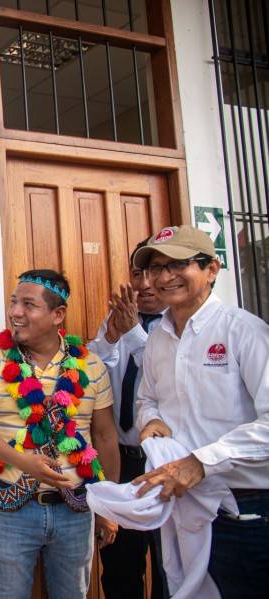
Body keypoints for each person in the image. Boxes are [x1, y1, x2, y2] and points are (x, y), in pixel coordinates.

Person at [0, 269, 120, 599]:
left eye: (28, 304)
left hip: (76, 510)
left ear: (57, 314)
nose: (15, 312)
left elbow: (105, 436)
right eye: (13, 302)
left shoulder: (90, 366)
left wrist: (110, 506)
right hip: (10, 510)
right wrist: (24, 462)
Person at [132, 225, 269, 599]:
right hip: (181, 506)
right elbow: (147, 400)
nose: (164, 276)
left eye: (179, 264)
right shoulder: (157, 338)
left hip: (244, 511)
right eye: (156, 267)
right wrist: (151, 420)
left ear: (212, 269)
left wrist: (202, 462)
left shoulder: (243, 331)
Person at [88, 240, 168, 599]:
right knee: (120, 571)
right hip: (122, 462)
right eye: (138, 273)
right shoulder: (121, 318)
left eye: (155, 273)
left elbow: (162, 373)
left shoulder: (181, 326)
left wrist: (132, 333)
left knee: (171, 569)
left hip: (166, 463)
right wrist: (111, 336)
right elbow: (90, 368)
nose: (145, 283)